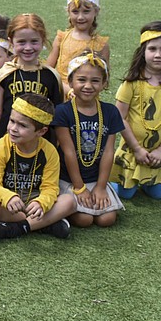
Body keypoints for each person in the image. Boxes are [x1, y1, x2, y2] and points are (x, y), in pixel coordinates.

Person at [0, 94, 77, 242]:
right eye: (12, 121)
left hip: (35, 200)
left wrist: (41, 203)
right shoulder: (2, 146)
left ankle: (16, 227)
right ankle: (43, 224)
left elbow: (50, 188)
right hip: (9, 203)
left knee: (70, 201)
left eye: (22, 125)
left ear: (41, 131)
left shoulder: (49, 151)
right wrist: (8, 197)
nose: (13, 128)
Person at [111, 22, 161, 200]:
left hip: (158, 153)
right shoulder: (131, 82)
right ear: (143, 51)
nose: (158, 55)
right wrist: (137, 149)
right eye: (152, 49)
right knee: (125, 194)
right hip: (132, 150)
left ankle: (149, 179)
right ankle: (110, 180)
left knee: (158, 195)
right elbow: (120, 117)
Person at [52, 53, 124, 227]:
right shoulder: (62, 111)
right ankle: (67, 205)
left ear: (104, 83)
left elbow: (108, 151)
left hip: (96, 178)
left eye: (95, 81)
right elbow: (69, 151)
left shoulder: (110, 112)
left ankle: (96, 192)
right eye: (81, 80)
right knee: (84, 220)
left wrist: (100, 186)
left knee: (107, 219)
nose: (88, 86)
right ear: (70, 82)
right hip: (69, 179)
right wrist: (79, 187)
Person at [0, 13, 63, 149]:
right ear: (11, 42)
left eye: (34, 41)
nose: (28, 48)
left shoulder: (51, 76)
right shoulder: (4, 74)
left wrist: (57, 146)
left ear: (43, 40)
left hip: (41, 144)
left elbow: (57, 115)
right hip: (6, 142)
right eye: (21, 42)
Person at [46, 0, 110, 96]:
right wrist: (68, 89)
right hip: (60, 96)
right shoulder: (61, 38)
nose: (80, 17)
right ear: (68, 12)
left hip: (87, 97)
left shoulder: (101, 45)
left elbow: (104, 79)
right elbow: (48, 71)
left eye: (86, 11)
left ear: (96, 11)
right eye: (75, 11)